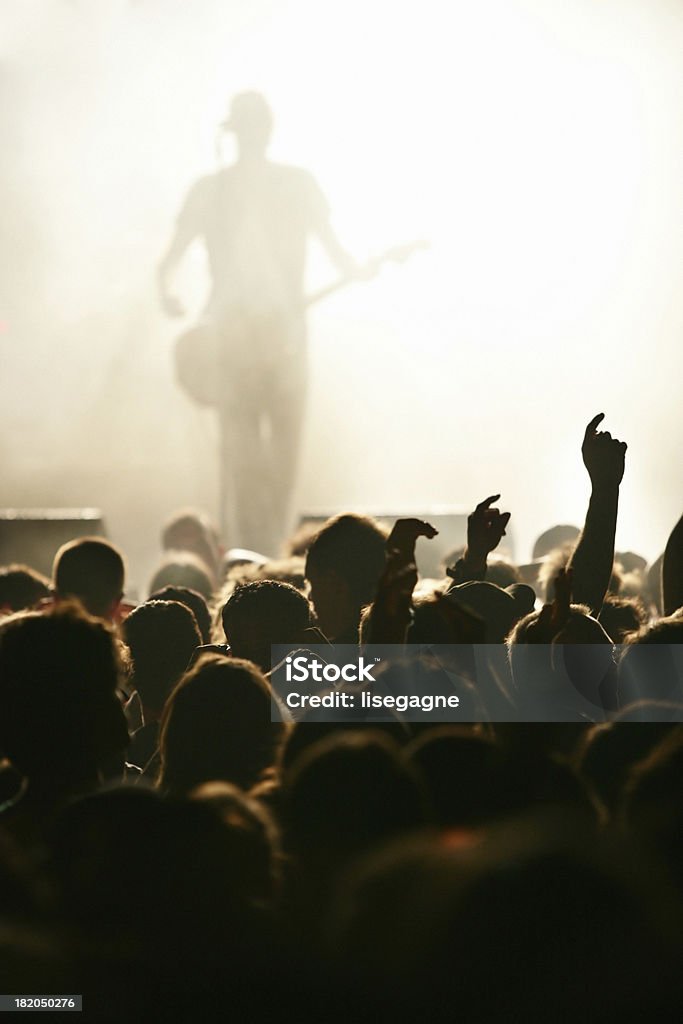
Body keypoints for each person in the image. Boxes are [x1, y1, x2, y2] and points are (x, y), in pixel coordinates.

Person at [158, 91, 358, 553]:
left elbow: (334, 247)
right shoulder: (211, 191)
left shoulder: (297, 185)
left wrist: (355, 268)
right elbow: (169, 257)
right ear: (235, 134)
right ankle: (249, 552)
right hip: (233, 337)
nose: (252, 136)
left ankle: (275, 547)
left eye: (255, 127)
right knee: (242, 455)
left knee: (283, 454)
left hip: (284, 336)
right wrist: (166, 291)